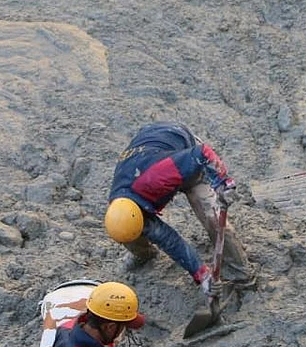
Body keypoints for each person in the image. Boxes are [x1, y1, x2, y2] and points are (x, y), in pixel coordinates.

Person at [104, 122, 257, 299]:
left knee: (213, 219)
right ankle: (144, 254)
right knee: (126, 232)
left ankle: (243, 274)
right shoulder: (117, 206)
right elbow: (168, 239)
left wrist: (223, 183)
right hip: (151, 154)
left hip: (185, 157)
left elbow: (203, 153)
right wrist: (202, 274)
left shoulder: (158, 175)